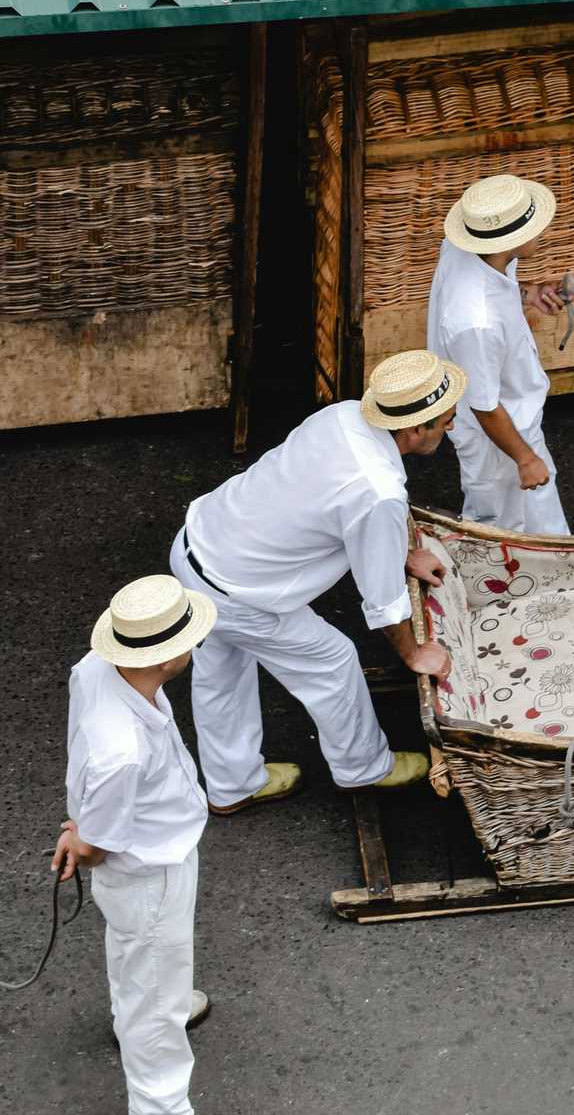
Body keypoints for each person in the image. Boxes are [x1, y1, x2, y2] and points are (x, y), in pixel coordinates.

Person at [168, 350, 465, 816]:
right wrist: (413, 653)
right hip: (239, 591)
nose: (451, 427)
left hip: (199, 542)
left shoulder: (343, 415)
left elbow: (325, 501)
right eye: (446, 421)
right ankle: (364, 767)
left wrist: (400, 552)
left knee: (221, 671)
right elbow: (383, 600)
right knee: (332, 661)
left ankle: (231, 784)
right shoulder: (379, 491)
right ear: (413, 431)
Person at [55, 574, 234, 1115]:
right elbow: (101, 844)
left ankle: (159, 1005)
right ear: (167, 657)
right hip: (148, 867)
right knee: (151, 989)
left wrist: (78, 827)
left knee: (146, 961)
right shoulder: (123, 752)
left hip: (158, 849)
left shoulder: (96, 668)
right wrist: (81, 839)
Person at [427, 173, 570, 537]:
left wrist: (529, 294)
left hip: (512, 412)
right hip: (498, 433)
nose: (543, 233)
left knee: (533, 521)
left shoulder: (475, 248)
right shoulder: (476, 322)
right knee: (498, 526)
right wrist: (524, 458)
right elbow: (484, 405)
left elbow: (494, 288)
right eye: (536, 228)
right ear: (514, 239)